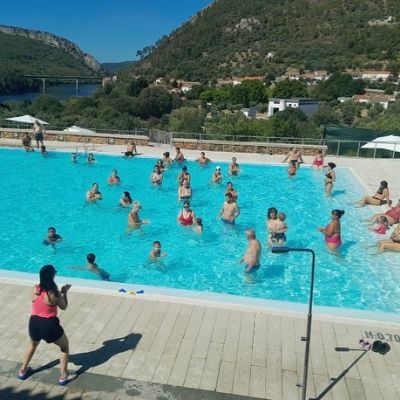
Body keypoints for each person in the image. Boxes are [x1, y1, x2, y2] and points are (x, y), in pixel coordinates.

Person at [18, 265, 76, 385]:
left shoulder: (35, 288)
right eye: (55, 272)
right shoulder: (53, 293)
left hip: (34, 323)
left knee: (32, 345)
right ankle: (64, 376)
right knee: (64, 347)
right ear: (52, 276)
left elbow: (36, 302)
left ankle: (23, 371)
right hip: (49, 325)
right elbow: (64, 306)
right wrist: (64, 293)